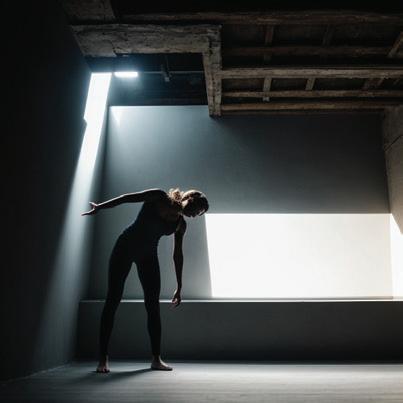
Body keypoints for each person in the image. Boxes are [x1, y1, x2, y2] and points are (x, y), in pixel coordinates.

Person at [82, 188, 209, 373]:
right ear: (190, 199)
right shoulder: (159, 196)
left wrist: (179, 286)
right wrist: (100, 207)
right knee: (113, 300)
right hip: (125, 248)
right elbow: (126, 197)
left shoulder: (180, 225)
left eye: (199, 214)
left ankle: (156, 359)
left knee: (153, 306)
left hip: (148, 256)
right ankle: (103, 359)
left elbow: (177, 254)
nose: (195, 215)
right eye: (197, 209)